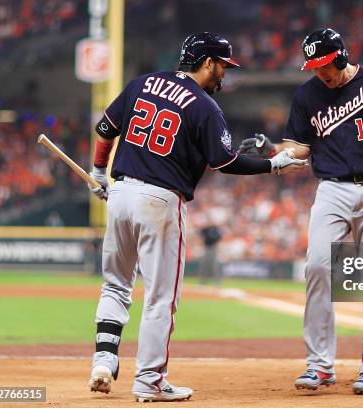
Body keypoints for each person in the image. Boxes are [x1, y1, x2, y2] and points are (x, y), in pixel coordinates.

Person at [86, 32, 306, 402]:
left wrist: (96, 173)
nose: (224, 74)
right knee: (160, 298)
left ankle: (104, 360)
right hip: (159, 200)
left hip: (120, 192)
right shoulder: (204, 106)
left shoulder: (143, 82)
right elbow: (226, 162)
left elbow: (106, 129)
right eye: (222, 65)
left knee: (115, 285)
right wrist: (273, 164)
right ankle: (149, 381)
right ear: (207, 63)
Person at [238, 28, 363, 395]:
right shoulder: (307, 94)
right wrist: (270, 149)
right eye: (313, 67)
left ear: (341, 57)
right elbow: (298, 148)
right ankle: (319, 365)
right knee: (316, 266)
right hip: (332, 188)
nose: (319, 72)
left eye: (325, 65)